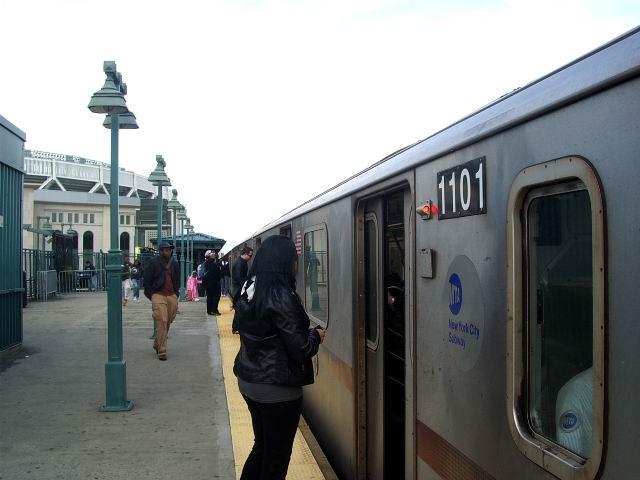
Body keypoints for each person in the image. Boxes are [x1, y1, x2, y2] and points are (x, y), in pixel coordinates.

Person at [233, 235, 325, 479]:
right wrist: (316, 336)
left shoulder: (249, 289)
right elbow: (301, 349)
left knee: (261, 446)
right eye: (294, 260)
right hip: (277, 389)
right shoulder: (281, 295)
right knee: (276, 459)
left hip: (249, 379)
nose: (296, 265)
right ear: (284, 262)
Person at [143, 241, 180, 361]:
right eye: (166, 250)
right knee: (162, 320)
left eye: (169, 250)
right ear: (161, 251)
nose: (168, 252)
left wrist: (176, 293)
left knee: (169, 320)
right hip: (158, 294)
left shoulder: (174, 263)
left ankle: (157, 343)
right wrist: (151, 295)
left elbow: (177, 279)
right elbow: (147, 280)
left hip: (171, 295)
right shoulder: (153, 262)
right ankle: (162, 350)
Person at [202, 250, 222, 315]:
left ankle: (210, 310)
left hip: (210, 283)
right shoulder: (211, 263)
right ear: (209, 255)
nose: (214, 255)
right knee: (215, 296)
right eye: (212, 254)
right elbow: (213, 272)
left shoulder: (208, 262)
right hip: (213, 283)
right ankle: (213, 310)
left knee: (210, 297)